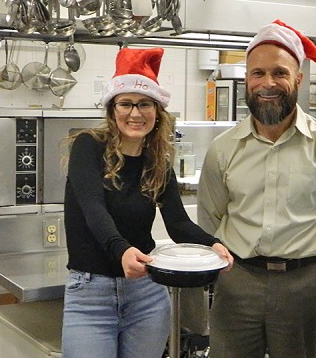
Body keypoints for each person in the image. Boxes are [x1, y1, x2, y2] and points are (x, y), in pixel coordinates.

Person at [197, 19, 316, 358]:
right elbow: (209, 223)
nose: (267, 83)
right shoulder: (223, 149)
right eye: (257, 73)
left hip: (305, 285)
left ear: (298, 79)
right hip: (236, 282)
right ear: (247, 79)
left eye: (280, 73)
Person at [61, 47, 232, 358]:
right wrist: (121, 249)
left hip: (146, 296)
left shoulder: (158, 161)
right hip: (91, 295)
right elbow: (93, 210)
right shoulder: (88, 146)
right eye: (125, 104)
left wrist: (214, 244)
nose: (135, 114)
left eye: (144, 104)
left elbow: (178, 223)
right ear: (112, 110)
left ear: (158, 111)